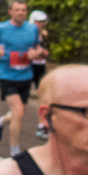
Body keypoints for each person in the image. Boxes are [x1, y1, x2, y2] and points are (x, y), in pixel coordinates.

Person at [0, 0, 45, 157]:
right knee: (18, 112)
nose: (21, 13)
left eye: (24, 10)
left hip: (25, 76)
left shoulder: (32, 29)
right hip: (6, 75)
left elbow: (38, 48)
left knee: (18, 114)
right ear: (10, 11)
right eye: (17, 10)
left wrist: (36, 53)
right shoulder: (1, 28)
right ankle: (15, 152)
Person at [30, 10, 51, 140]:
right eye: (39, 22)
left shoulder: (42, 34)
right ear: (34, 21)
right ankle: (8, 118)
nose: (42, 24)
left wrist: (43, 53)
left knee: (44, 97)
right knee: (21, 101)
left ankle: (42, 126)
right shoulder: (28, 33)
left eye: (43, 22)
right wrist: (41, 51)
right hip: (28, 67)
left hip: (40, 67)